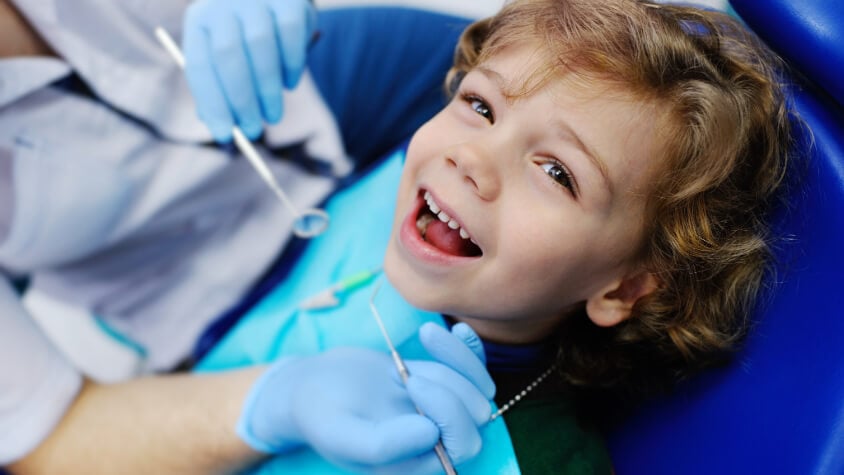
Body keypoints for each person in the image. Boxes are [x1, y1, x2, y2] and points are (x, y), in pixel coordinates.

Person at [195, 0, 797, 472]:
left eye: (558, 173)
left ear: (623, 289)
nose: (472, 159)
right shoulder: (384, 180)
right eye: (481, 106)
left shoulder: (540, 463)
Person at [1, 0, 493, 472]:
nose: (472, 164)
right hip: (204, 294)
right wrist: (278, 401)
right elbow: (51, 436)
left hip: (308, 90)